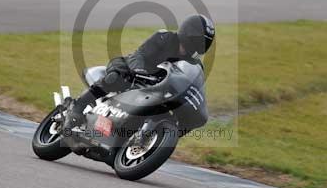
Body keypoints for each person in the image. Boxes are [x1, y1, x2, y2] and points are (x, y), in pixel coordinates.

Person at [65, 14, 216, 130]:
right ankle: (77, 107)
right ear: (188, 33)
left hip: (154, 88)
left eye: (205, 42)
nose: (201, 45)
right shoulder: (164, 37)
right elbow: (140, 55)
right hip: (130, 68)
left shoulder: (194, 65)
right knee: (116, 77)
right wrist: (138, 70)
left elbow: (193, 85)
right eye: (199, 40)